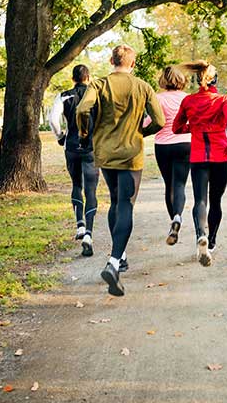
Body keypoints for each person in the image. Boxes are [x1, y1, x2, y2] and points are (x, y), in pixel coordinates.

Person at [76, 45, 165, 296]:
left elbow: (83, 109)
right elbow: (159, 121)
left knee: (115, 200)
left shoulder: (99, 85)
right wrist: (140, 133)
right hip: (130, 154)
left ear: (111, 60)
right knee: (125, 203)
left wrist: (85, 133)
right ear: (133, 63)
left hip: (106, 153)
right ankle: (114, 262)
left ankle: (121, 254)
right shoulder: (142, 86)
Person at [172, 60, 227, 267]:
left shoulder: (189, 101)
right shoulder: (224, 101)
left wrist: (193, 128)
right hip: (220, 157)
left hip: (199, 156)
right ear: (215, 80)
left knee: (200, 200)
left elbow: (176, 127)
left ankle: (201, 234)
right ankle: (211, 242)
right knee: (216, 201)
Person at [49, 64, 99, 257]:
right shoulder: (95, 95)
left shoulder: (63, 96)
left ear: (73, 78)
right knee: (91, 189)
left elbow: (53, 120)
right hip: (91, 147)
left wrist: (60, 136)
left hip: (71, 146)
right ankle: (89, 234)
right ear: (88, 77)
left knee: (76, 184)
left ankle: (79, 225)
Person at [146, 66, 191, 246]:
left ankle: (173, 218)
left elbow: (150, 121)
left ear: (163, 81)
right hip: (185, 144)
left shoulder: (157, 98)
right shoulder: (187, 98)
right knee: (180, 183)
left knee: (169, 184)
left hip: (163, 146)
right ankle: (178, 216)